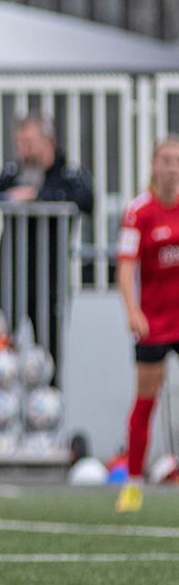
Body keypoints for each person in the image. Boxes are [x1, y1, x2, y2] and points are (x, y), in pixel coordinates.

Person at [0, 113, 93, 378]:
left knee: (47, 357)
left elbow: (86, 199)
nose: (24, 150)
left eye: (30, 143)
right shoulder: (13, 173)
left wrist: (36, 197)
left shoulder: (68, 175)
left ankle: (48, 401)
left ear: (49, 141)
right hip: (9, 277)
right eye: (20, 143)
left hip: (49, 280)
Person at [117, 137, 179, 494]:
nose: (172, 169)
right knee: (146, 399)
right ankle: (133, 484)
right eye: (166, 160)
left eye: (177, 161)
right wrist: (132, 310)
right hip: (154, 322)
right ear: (154, 164)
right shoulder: (139, 211)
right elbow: (126, 266)